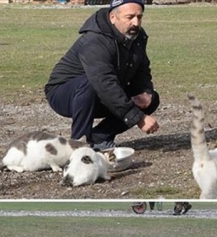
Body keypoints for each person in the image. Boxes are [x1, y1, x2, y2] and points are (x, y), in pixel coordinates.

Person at [44, 0, 160, 151]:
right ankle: (79, 145)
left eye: (139, 17)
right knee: (90, 84)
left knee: (151, 99)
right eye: (130, 17)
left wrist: (145, 92)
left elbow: (141, 70)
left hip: (99, 91)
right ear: (113, 17)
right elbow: (104, 83)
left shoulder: (137, 37)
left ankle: (99, 137)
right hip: (64, 94)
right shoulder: (95, 40)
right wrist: (138, 118)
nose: (136, 23)